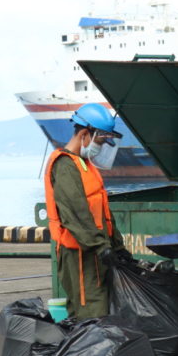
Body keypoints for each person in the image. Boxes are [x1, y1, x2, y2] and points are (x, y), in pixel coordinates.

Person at [44, 103, 132, 320]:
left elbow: (102, 213)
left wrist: (117, 246)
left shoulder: (84, 164)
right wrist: (101, 247)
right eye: (100, 141)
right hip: (81, 255)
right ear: (85, 134)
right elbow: (76, 214)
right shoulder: (65, 165)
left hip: (95, 252)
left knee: (100, 308)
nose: (100, 147)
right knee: (91, 312)